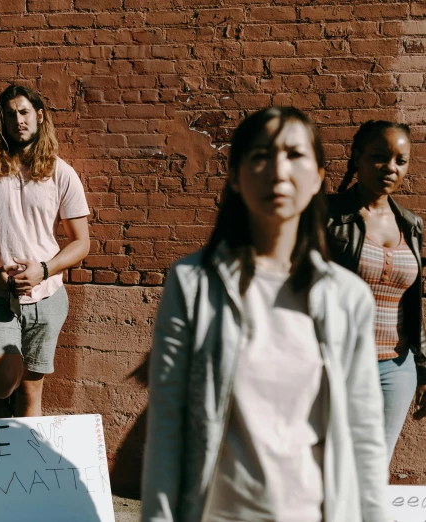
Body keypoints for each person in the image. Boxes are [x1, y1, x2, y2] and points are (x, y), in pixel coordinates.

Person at [141, 107, 389, 522]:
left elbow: (364, 435)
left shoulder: (348, 299)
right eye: (260, 155)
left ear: (319, 177)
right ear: (236, 177)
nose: (278, 169)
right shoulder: (192, 284)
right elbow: (168, 426)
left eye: (294, 154)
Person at [0, 85, 90, 417]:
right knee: (2, 383)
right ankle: (8, 397)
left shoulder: (62, 173)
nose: (18, 120)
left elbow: (81, 242)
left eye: (25, 112)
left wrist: (43, 270)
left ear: (39, 116)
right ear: (2, 121)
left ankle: (25, 463)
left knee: (33, 392)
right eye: (10, 114)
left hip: (47, 296)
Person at [327, 120, 426, 463]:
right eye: (379, 157)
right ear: (357, 158)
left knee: (371, 470)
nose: (390, 168)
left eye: (401, 160)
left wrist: (422, 364)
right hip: (336, 363)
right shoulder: (325, 216)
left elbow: (412, 305)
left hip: (396, 368)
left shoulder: (411, 225)